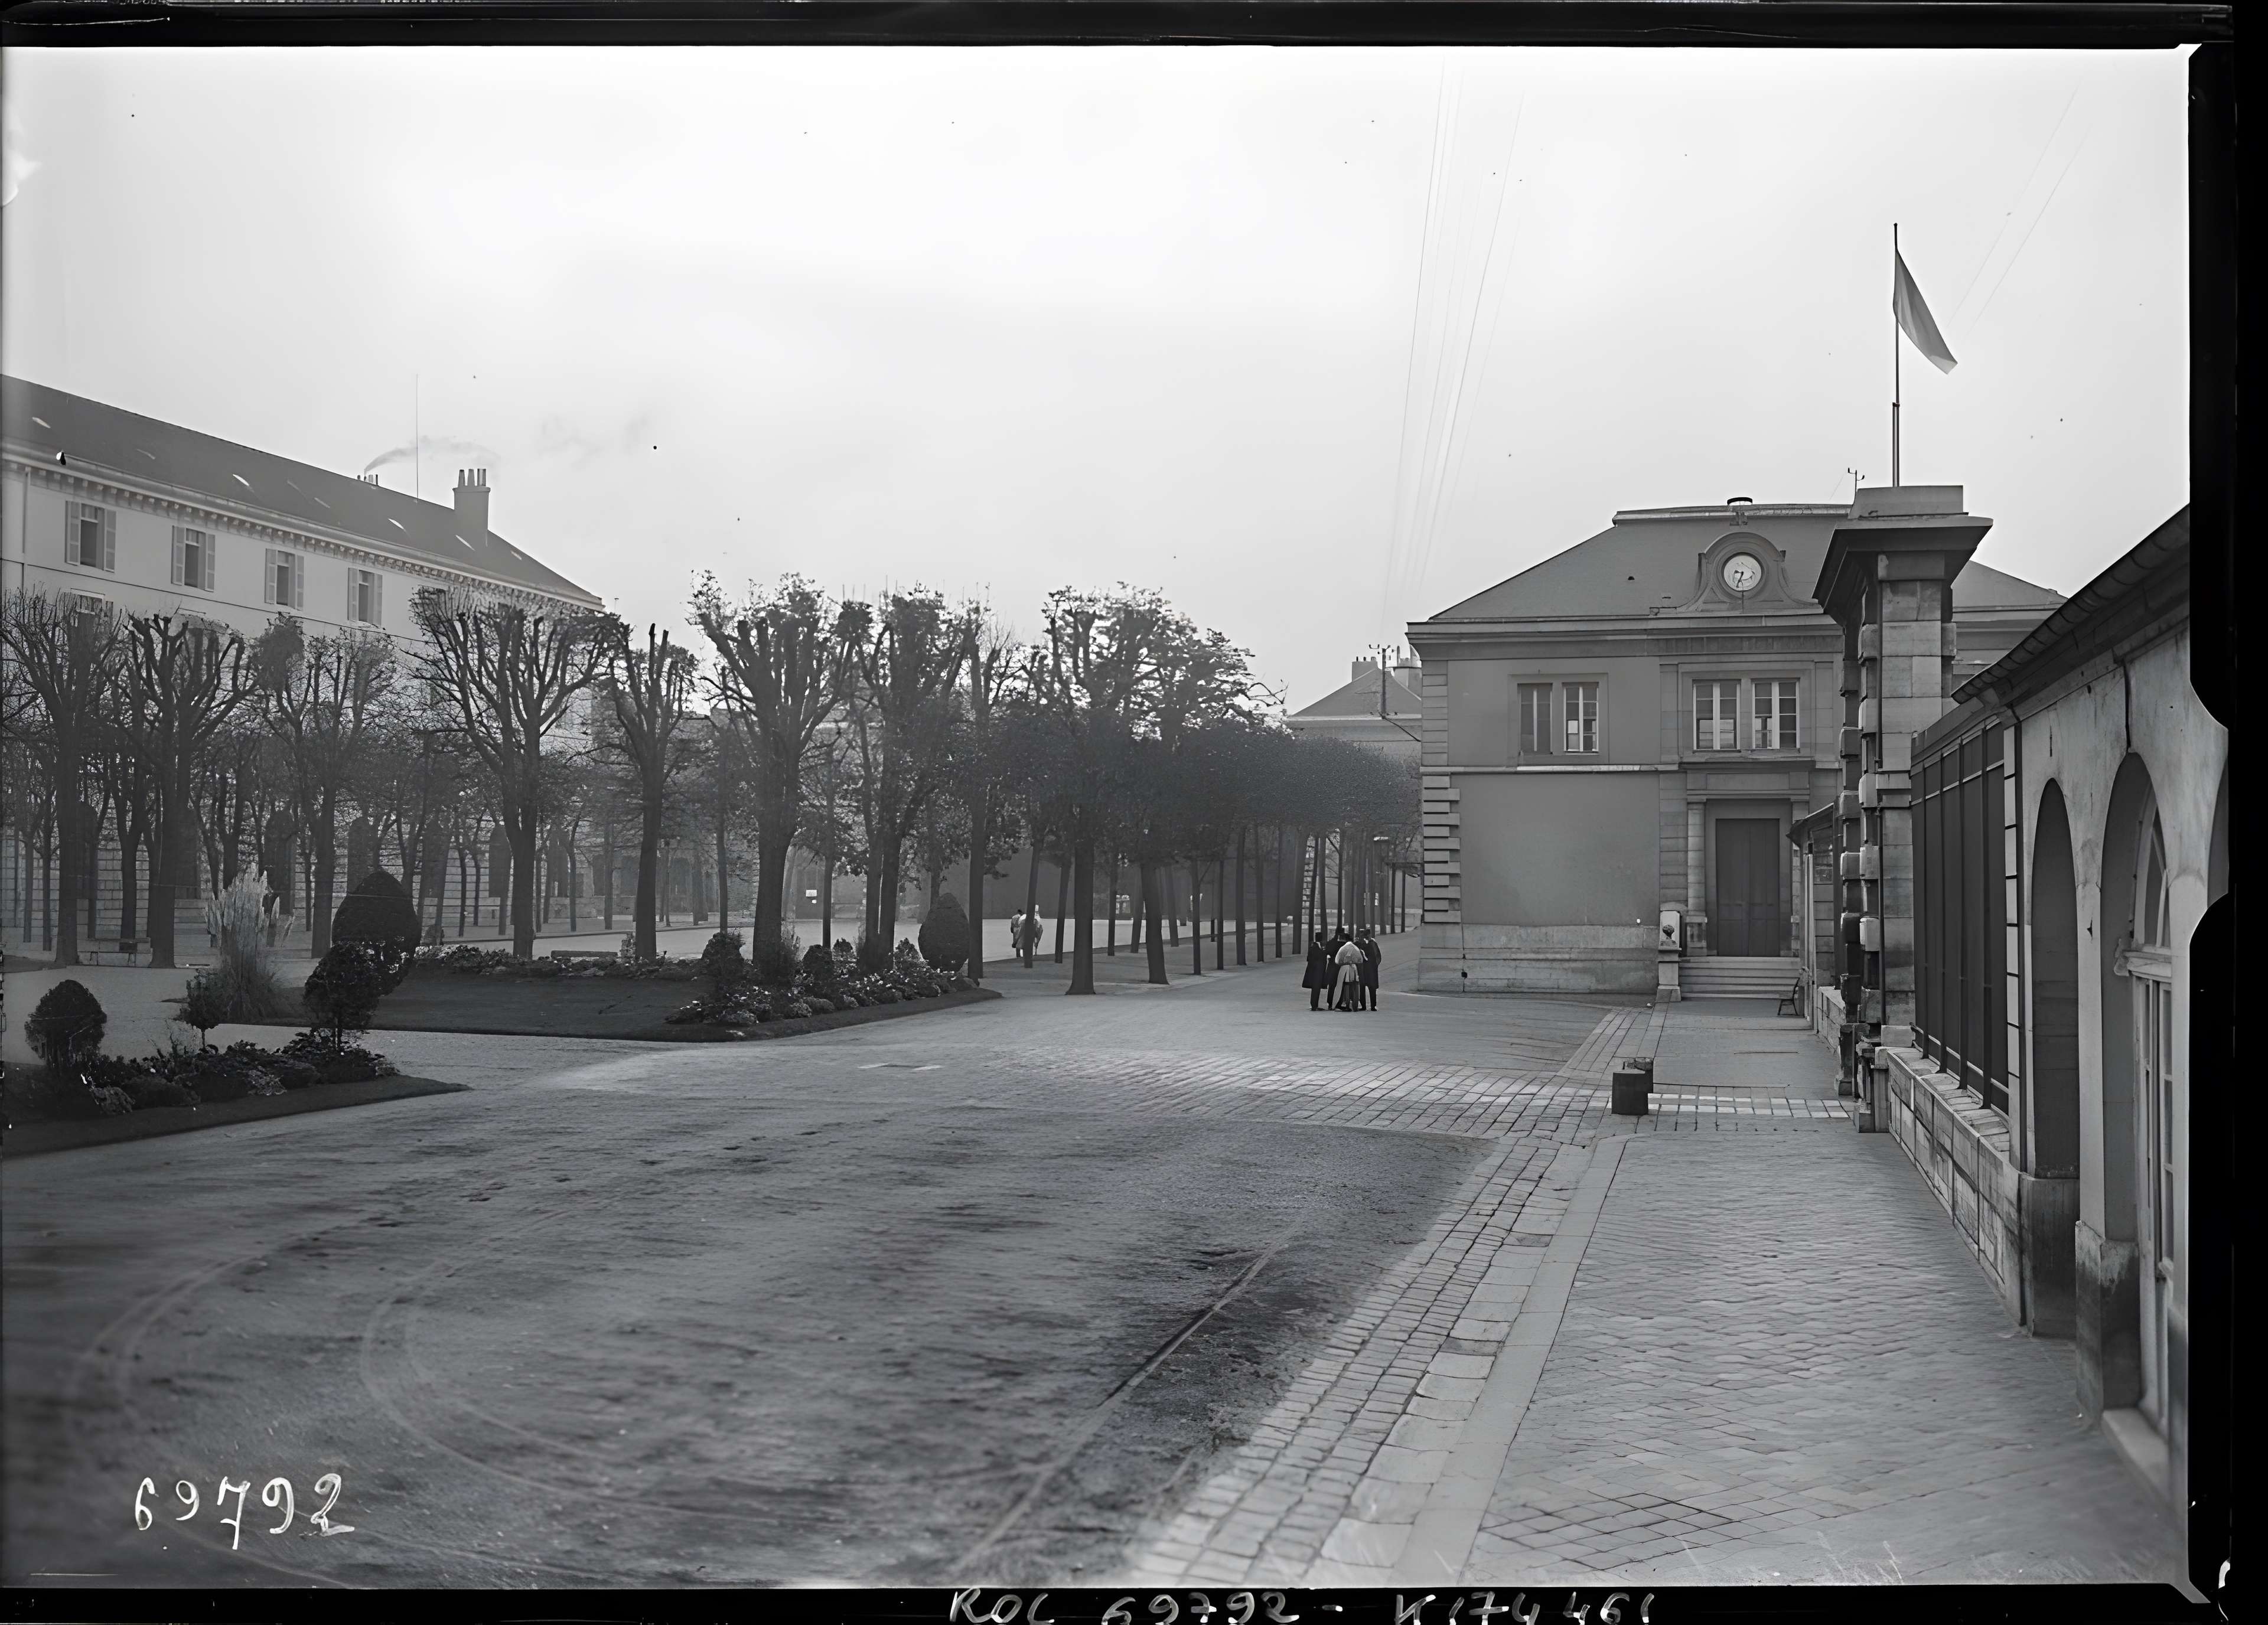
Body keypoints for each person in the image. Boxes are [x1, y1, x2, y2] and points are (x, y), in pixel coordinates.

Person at [1302, 929, 1334, 1010]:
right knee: (1316, 988)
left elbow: (1308, 959)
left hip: (1314, 971)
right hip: (1317, 972)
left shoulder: (1313, 947)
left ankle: (1314, 1005)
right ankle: (1314, 1006)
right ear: (1321, 938)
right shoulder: (1317, 948)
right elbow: (1320, 956)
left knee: (1316, 988)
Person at [1333, 931, 1364, 1011]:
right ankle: (1354, 1004)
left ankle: (1345, 1004)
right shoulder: (1355, 948)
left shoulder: (1343, 948)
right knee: (1354, 986)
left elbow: (1338, 960)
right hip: (1354, 969)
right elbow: (1360, 959)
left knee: (1345, 986)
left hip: (1345, 969)